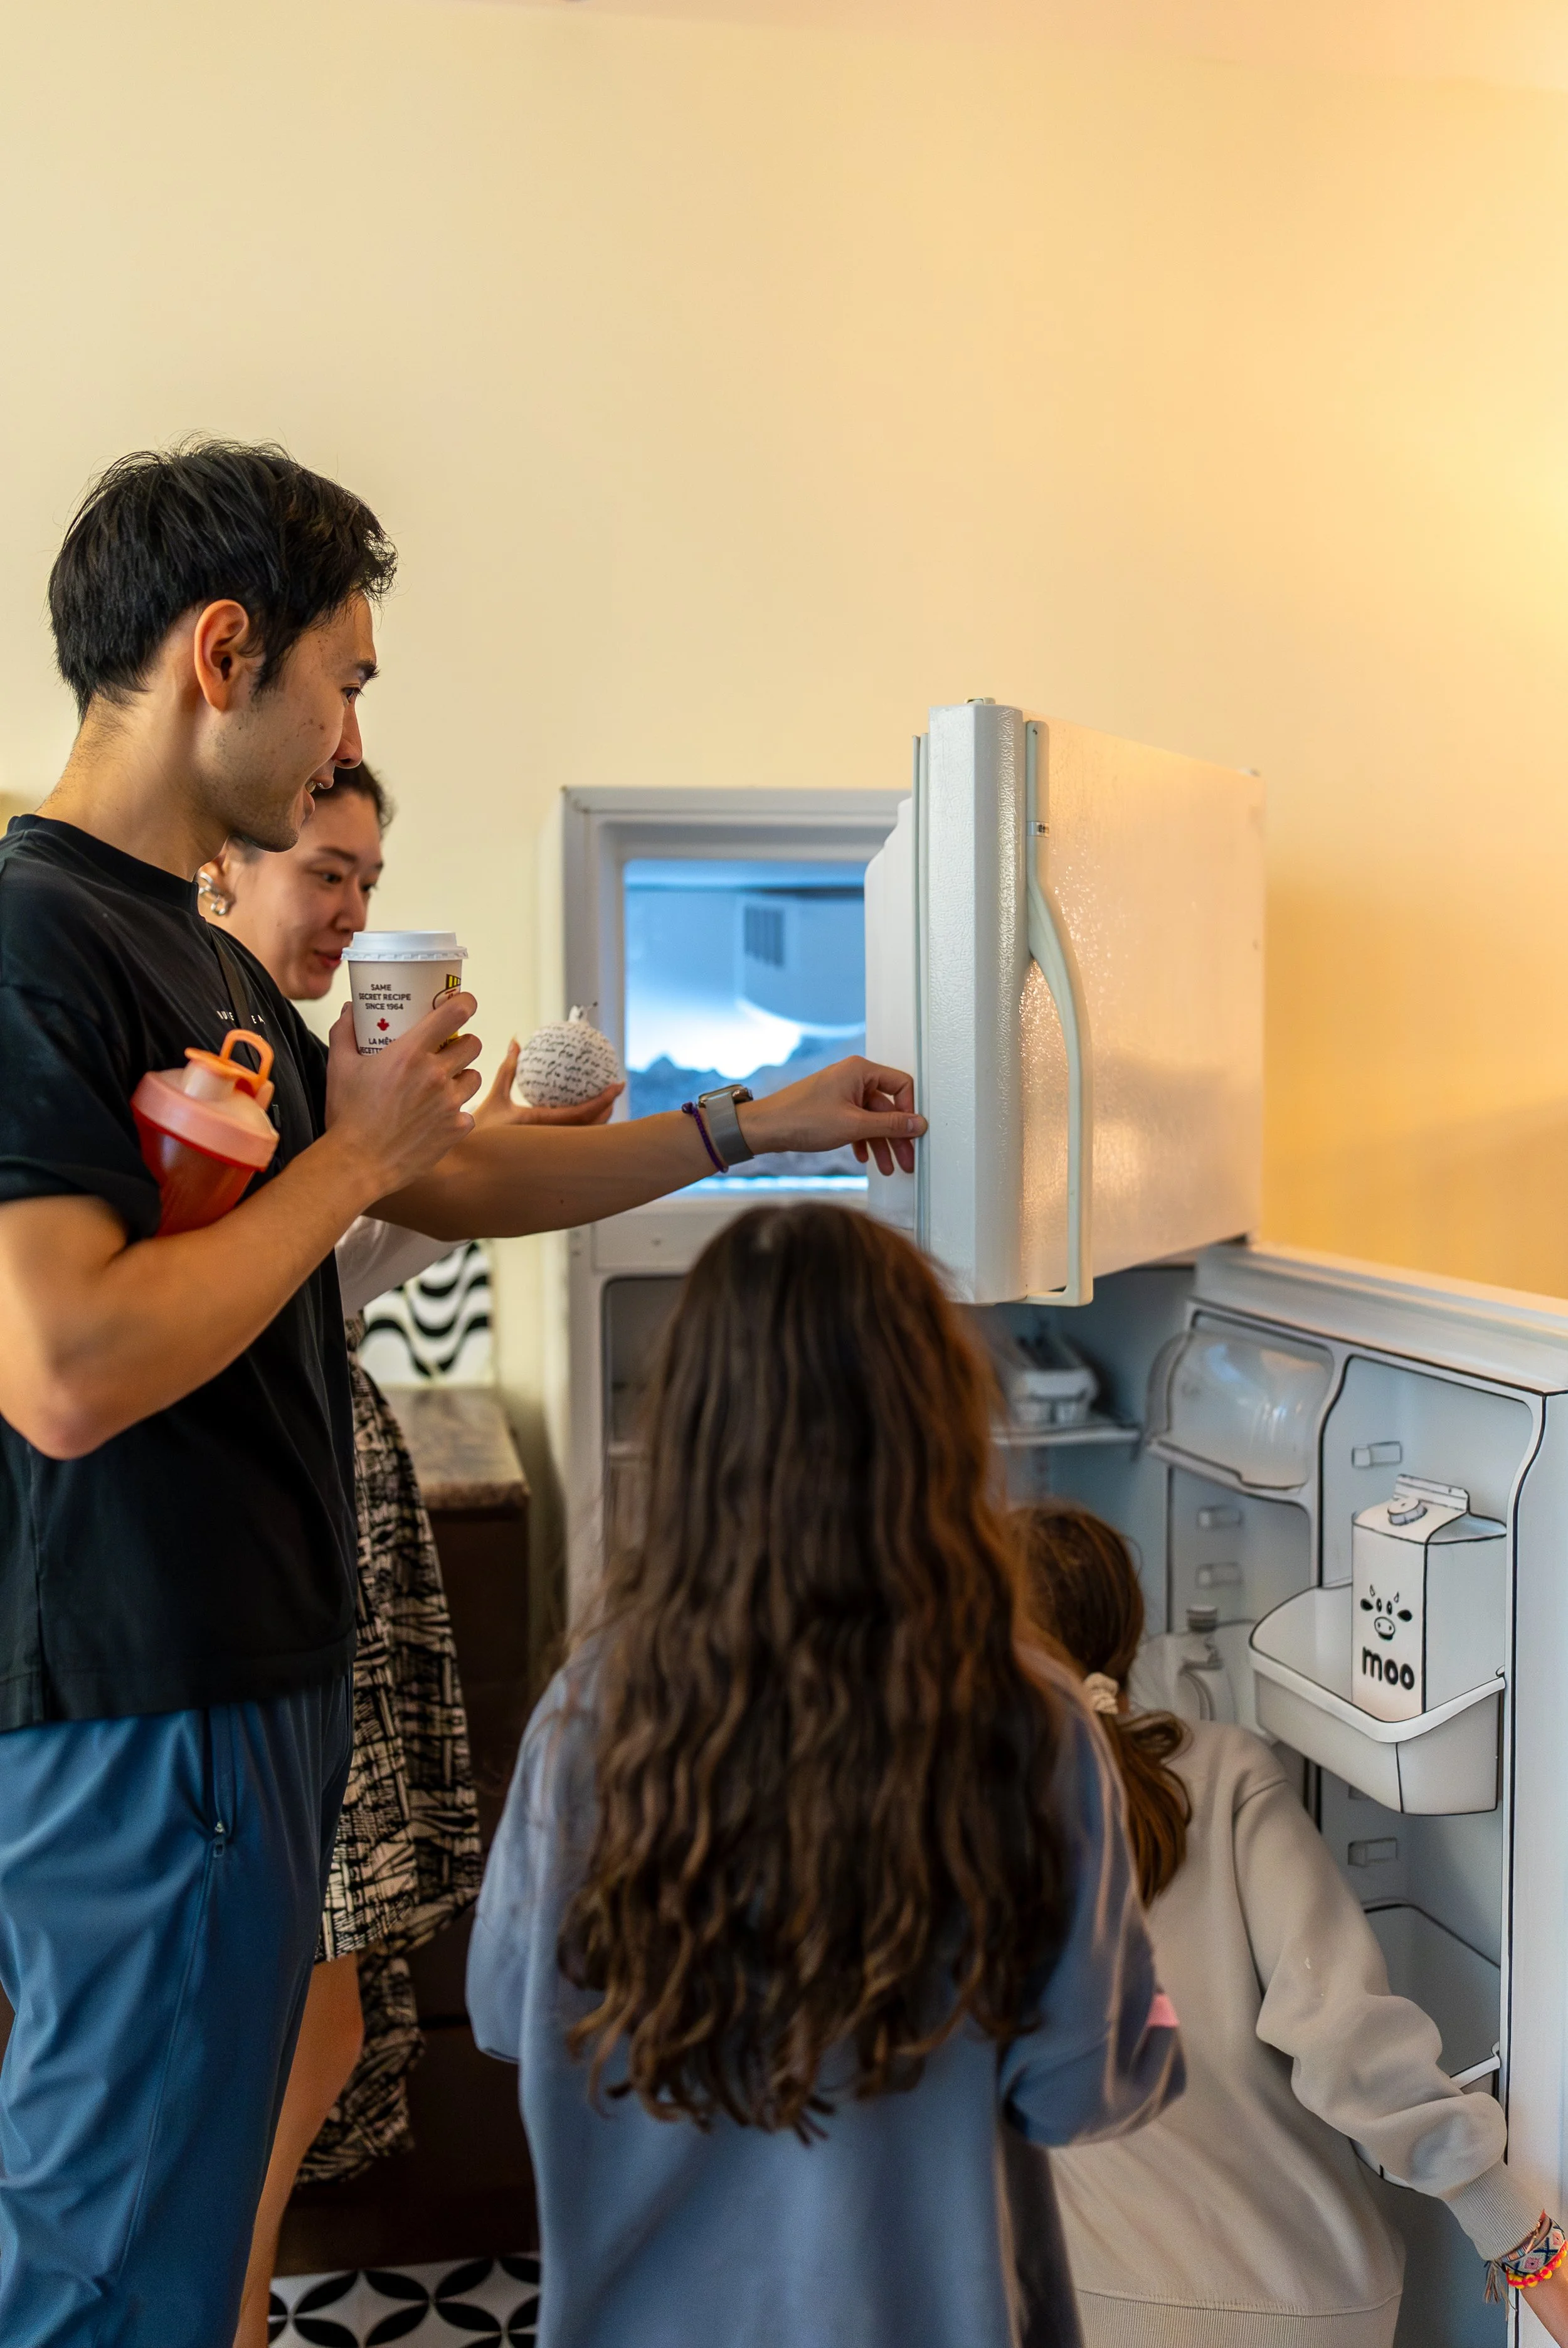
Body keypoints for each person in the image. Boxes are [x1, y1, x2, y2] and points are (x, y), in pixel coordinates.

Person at [0, 439, 923, 2345]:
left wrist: (754, 1118)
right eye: (344, 673)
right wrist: (352, 1160)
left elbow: (452, 1176)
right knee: (106, 2250)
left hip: (236, 1675)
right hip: (143, 1687)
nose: (346, 719)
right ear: (224, 651)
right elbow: (66, 1365)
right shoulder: (41, 938)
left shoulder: (184, 945)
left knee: (171, 2222)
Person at [467, 1203, 1183, 2348]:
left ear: (694, 1434)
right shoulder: (1026, 1718)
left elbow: (508, 2014)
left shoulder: (591, 1713)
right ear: (935, 1423)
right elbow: (1081, 2083)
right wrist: (1155, 2006)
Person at [199, 765, 620, 2347]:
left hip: (308, 1542)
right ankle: (220, 2300)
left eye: (372, 879)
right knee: (269, 1985)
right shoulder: (200, 1064)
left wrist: (490, 1134)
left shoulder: (296, 1072)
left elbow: (361, 1251)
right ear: (215, 876)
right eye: (326, 870)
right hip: (241, 1569)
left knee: (307, 1983)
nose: (357, 910)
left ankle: (226, 2302)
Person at [1019, 1503, 1568, 2348]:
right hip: (1308, 2305)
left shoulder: (949, 1828)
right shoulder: (1225, 1769)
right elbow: (1345, 2035)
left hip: (1090, 2308)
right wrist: (1524, 2239)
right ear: (1127, 1634)